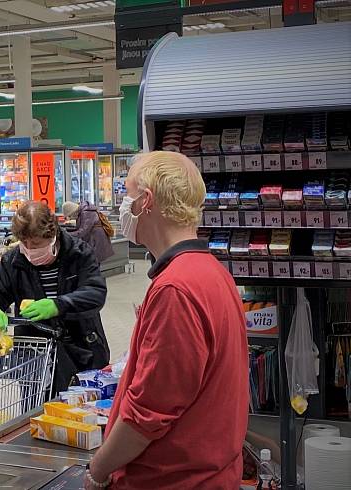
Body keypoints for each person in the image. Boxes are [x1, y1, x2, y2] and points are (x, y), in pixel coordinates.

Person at [85, 151, 248, 490]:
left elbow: (147, 416)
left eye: (125, 194)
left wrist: (97, 471)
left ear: (146, 201)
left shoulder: (176, 288)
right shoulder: (211, 272)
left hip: (171, 480)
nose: (120, 205)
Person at [0, 201, 109, 395]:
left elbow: (95, 292)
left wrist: (59, 305)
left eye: (36, 244)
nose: (29, 249)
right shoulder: (13, 261)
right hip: (35, 358)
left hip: (81, 351)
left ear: (52, 234)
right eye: (24, 243)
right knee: (37, 414)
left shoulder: (79, 254)